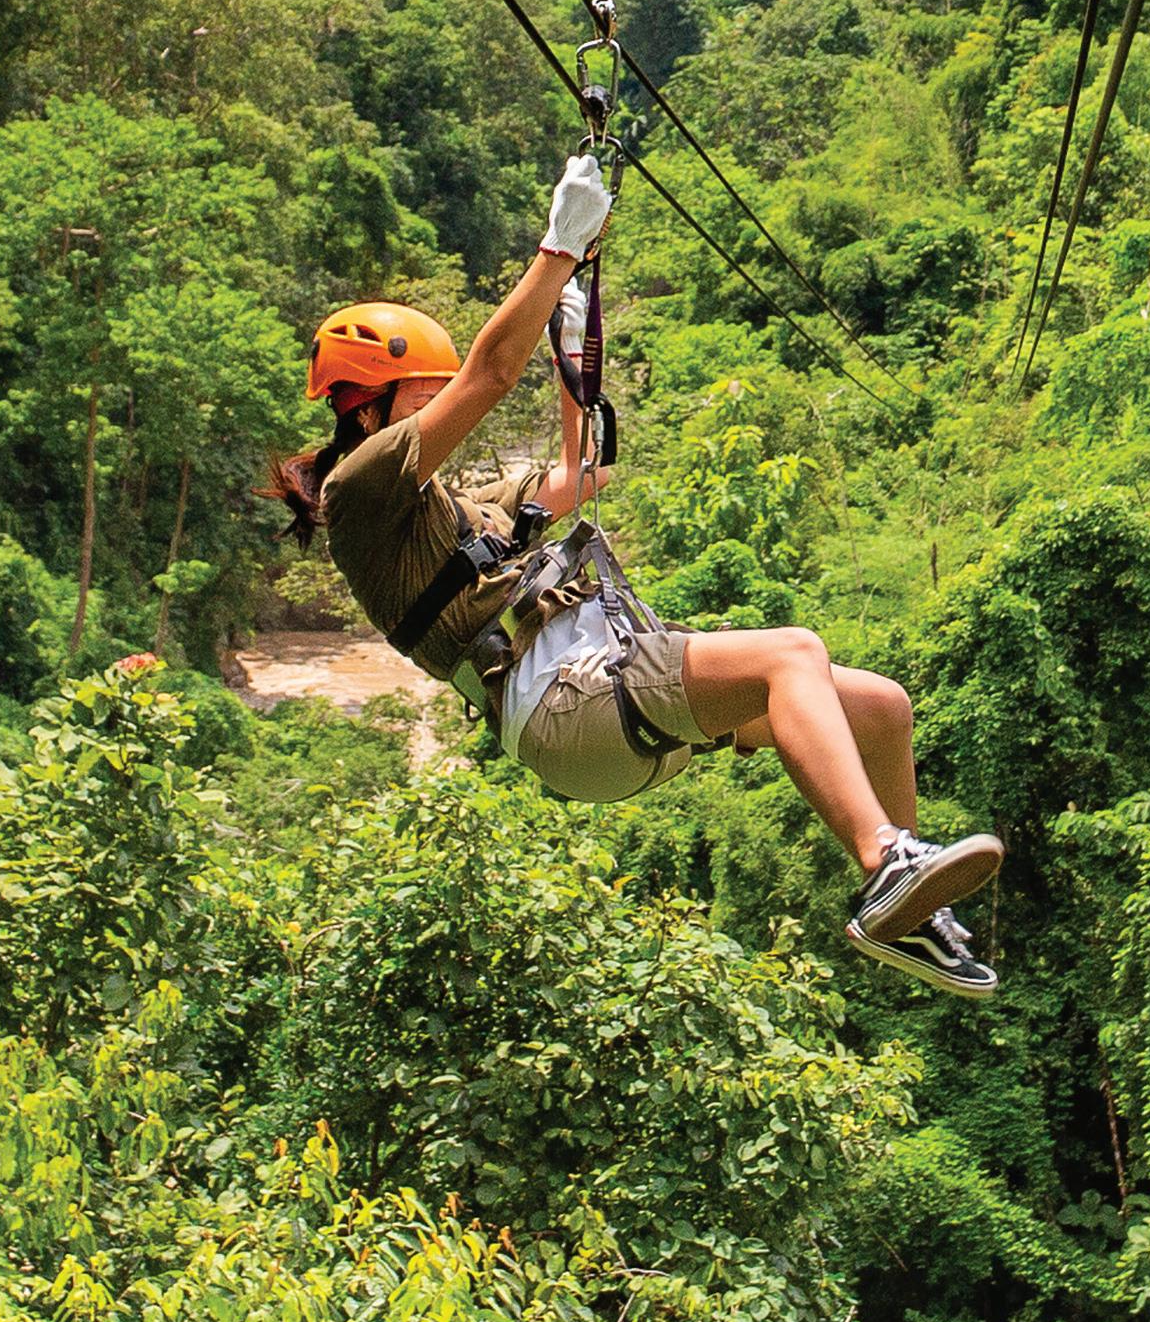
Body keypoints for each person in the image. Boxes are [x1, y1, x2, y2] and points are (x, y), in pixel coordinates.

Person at [278, 147, 1002, 1002]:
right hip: (569, 702)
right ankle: (883, 861)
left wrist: (570, 346)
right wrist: (556, 249)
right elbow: (489, 373)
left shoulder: (457, 507)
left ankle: (909, 910)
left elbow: (578, 477)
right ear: (365, 404)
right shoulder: (361, 491)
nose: (437, 409)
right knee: (791, 653)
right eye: (419, 396)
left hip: (592, 700)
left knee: (880, 708)